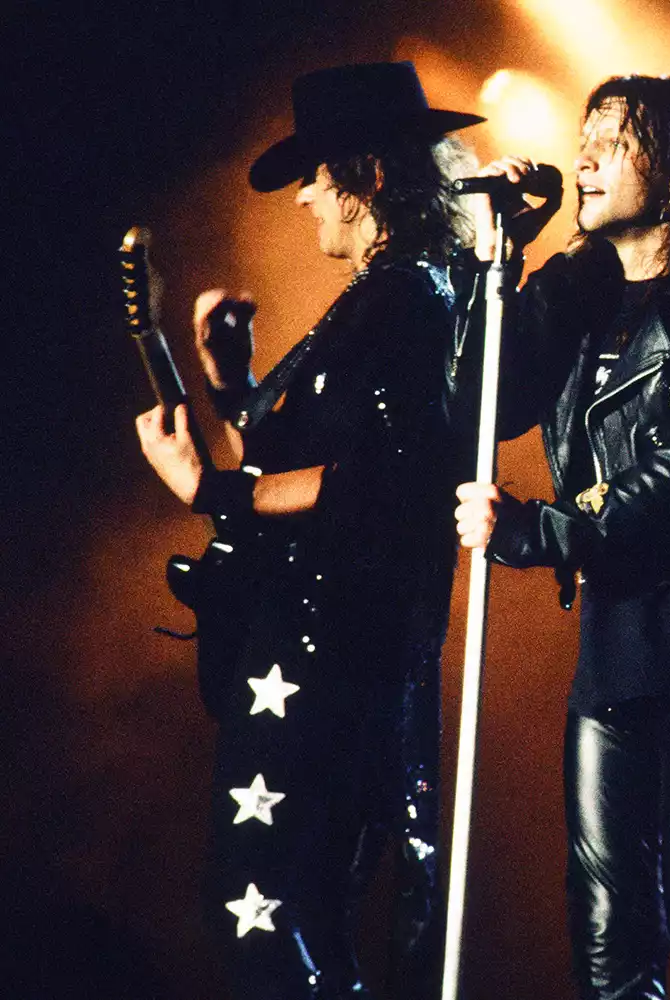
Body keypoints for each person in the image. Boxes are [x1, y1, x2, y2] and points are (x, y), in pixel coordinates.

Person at [135, 61, 480, 999]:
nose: (303, 199)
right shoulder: (390, 293)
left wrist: (207, 489)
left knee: (254, 913)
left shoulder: (406, 297)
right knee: (307, 912)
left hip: (321, 653)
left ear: (365, 174)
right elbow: (316, 456)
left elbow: (367, 483)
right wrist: (233, 385)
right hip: (321, 643)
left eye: (316, 174)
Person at [450, 74, 670, 1000]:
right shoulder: (580, 294)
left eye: (617, 138)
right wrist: (506, 264)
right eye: (585, 134)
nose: (586, 156)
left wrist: (541, 530)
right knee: (610, 938)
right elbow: (472, 406)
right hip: (612, 653)